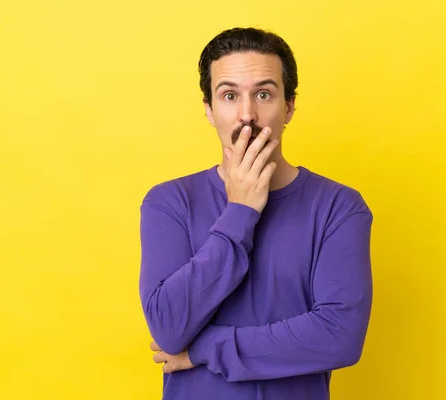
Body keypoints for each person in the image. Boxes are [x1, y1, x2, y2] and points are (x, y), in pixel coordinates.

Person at [138, 27, 373, 400]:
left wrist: (203, 348)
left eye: (263, 94)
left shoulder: (338, 207)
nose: (247, 114)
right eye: (229, 95)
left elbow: (338, 336)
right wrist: (240, 211)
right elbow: (168, 328)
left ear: (289, 107)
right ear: (209, 110)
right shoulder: (169, 202)